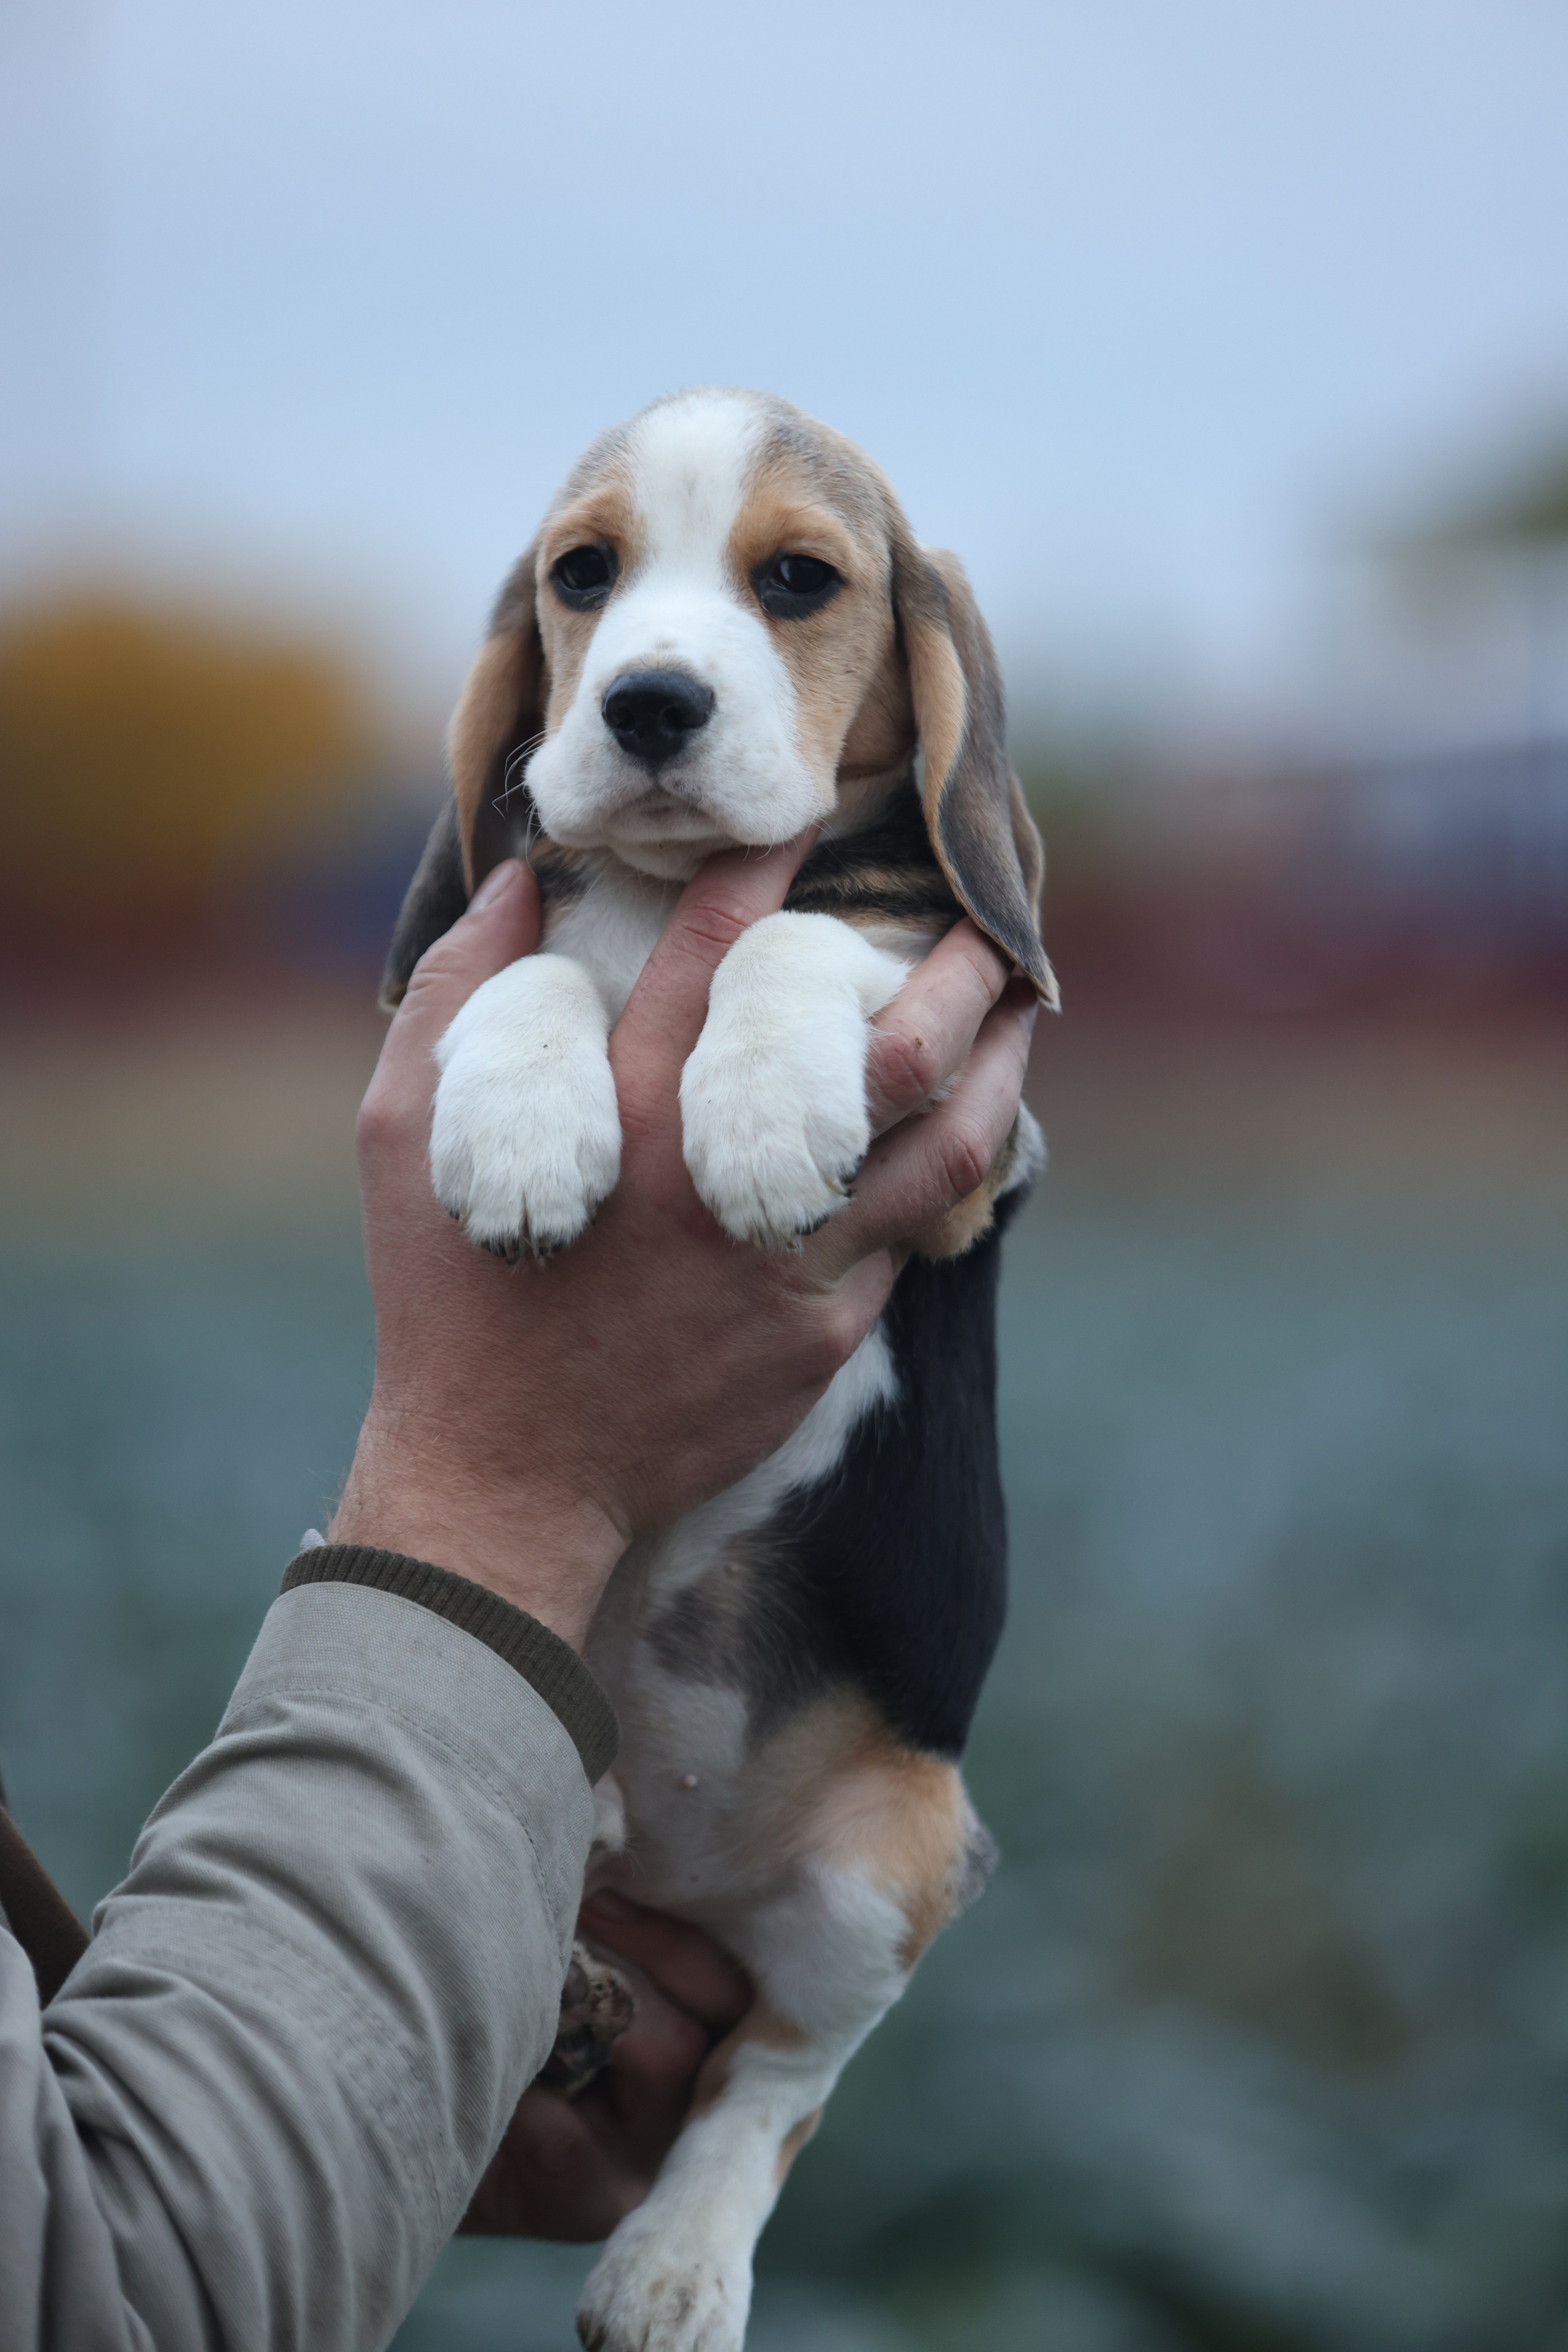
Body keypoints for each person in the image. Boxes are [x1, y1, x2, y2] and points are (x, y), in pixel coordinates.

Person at [0, 834, 1036, 2349]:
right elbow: (102, 2287)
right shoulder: (550, 938)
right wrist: (502, 1498)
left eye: (799, 582)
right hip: (549, 1778)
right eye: (585, 578)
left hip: (781, 1809)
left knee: (869, 1888)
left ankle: (742, 2149)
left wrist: (363, 2091)